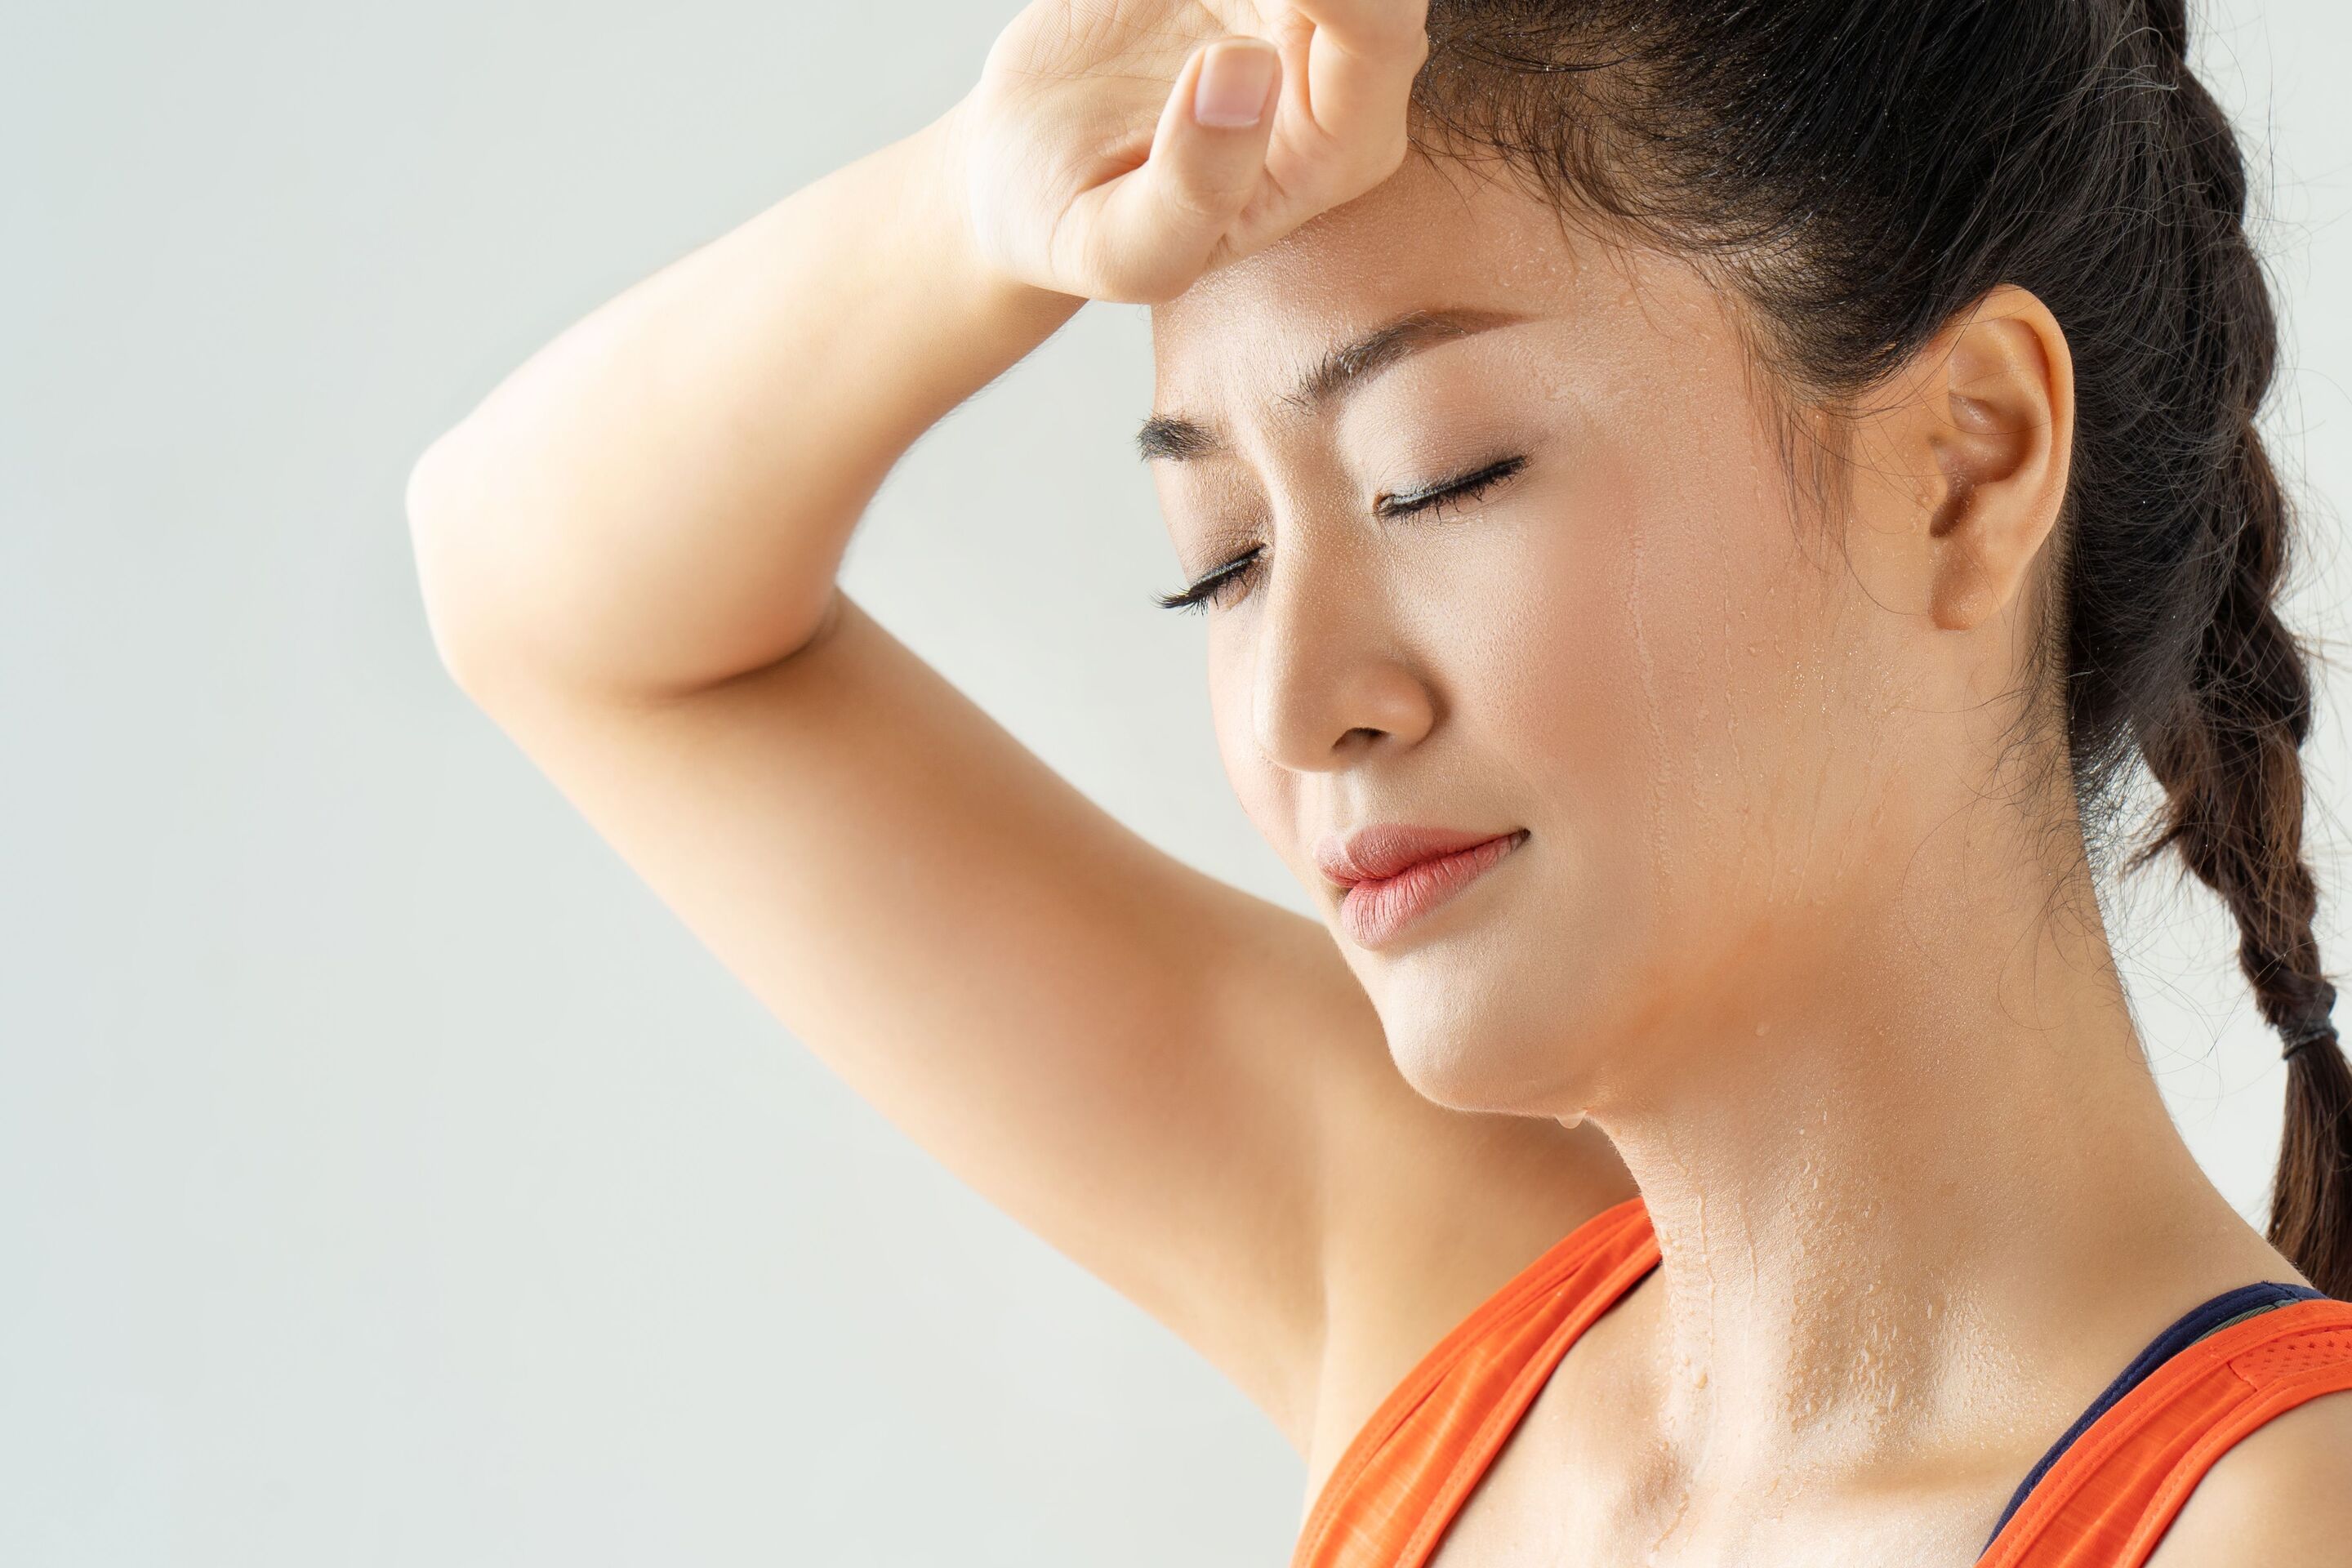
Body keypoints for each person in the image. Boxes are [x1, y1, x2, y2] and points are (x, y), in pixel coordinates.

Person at [403, 0, 2352, 1561]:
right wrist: (977, 202)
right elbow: (542, 598)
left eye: (1442, 477)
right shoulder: (1452, 1331)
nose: (1302, 699)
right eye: (1225, 558)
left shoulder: (2276, 1521)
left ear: (1969, 458)